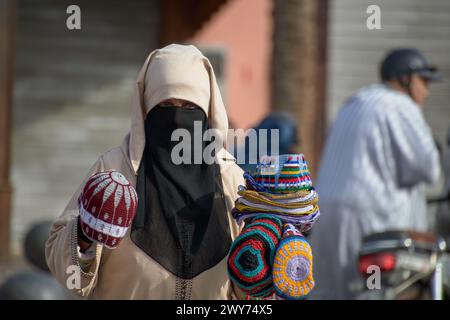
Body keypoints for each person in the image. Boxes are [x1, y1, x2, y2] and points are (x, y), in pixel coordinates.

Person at [45, 44, 246, 299]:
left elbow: (249, 288)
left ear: (206, 113)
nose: (176, 118)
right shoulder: (114, 169)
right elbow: (67, 273)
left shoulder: (231, 179)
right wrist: (85, 234)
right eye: (165, 106)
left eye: (188, 107)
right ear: (146, 109)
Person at [309, 48, 442, 299]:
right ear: (405, 79)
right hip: (371, 218)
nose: (426, 91)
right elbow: (429, 168)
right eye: (423, 81)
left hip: (324, 214)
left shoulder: (355, 101)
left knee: (329, 293)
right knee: (372, 292)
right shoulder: (401, 105)